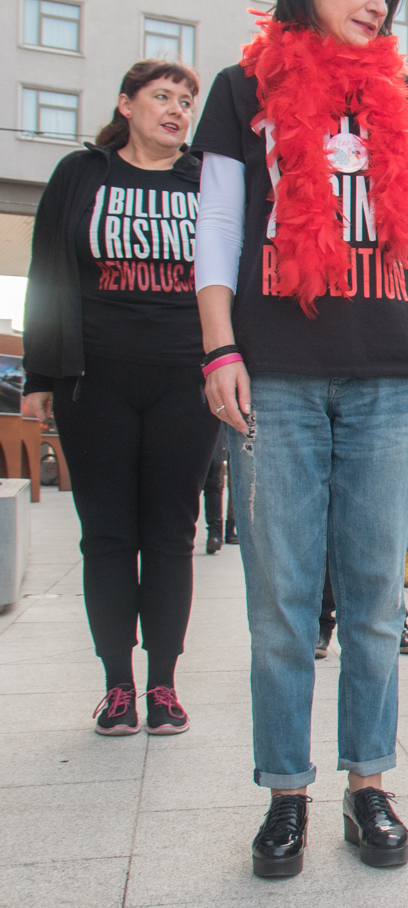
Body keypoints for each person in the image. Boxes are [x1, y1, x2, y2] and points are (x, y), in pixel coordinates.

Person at [192, 0, 408, 877]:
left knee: (380, 597)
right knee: (282, 604)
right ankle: (286, 793)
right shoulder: (241, 90)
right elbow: (218, 227)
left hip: (388, 373)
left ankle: (369, 783)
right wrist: (219, 348)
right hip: (276, 375)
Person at [22, 58, 217, 737]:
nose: (176, 109)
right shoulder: (80, 175)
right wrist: (39, 381)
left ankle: (162, 681)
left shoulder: (209, 180)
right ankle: (116, 684)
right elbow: (46, 272)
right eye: (162, 96)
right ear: (126, 104)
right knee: (106, 535)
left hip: (184, 381)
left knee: (170, 532)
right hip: (93, 380)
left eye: (186, 101)